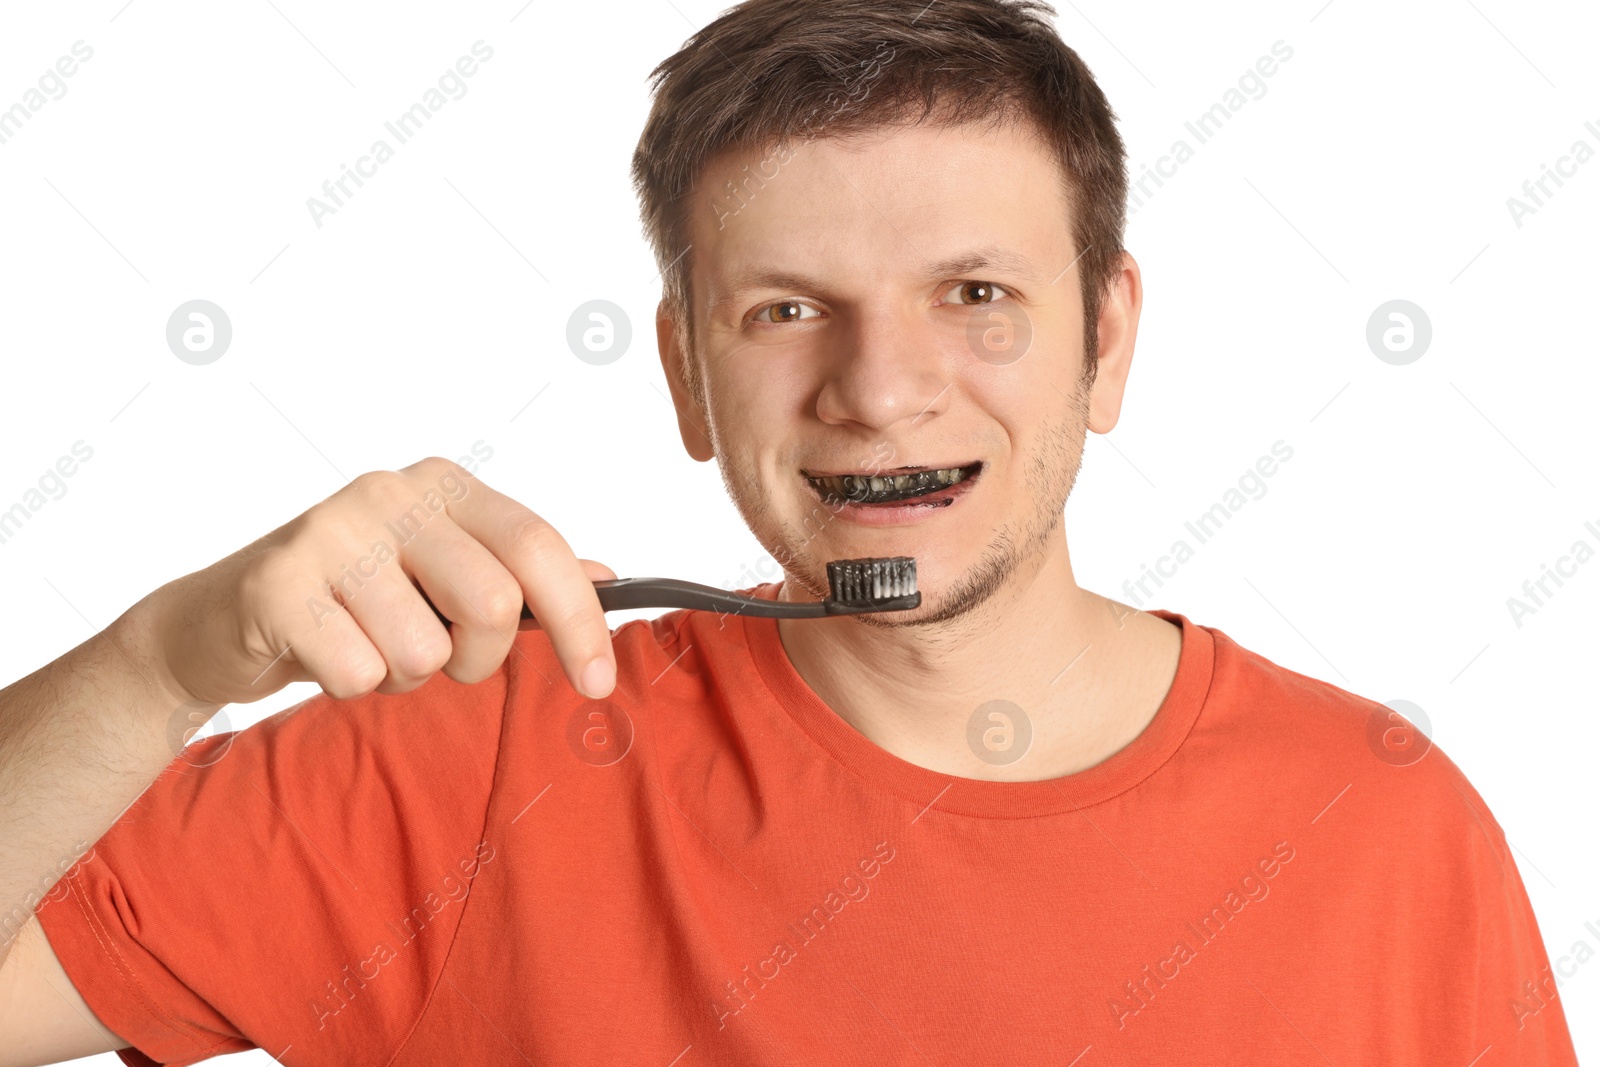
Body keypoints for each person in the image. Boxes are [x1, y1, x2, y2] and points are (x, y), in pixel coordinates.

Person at [0, 0, 1579, 1063]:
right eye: (786, 310)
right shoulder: (465, 761)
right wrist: (165, 657)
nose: (883, 391)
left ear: (1107, 341)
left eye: (977, 296)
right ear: (689, 374)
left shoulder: (1384, 835)